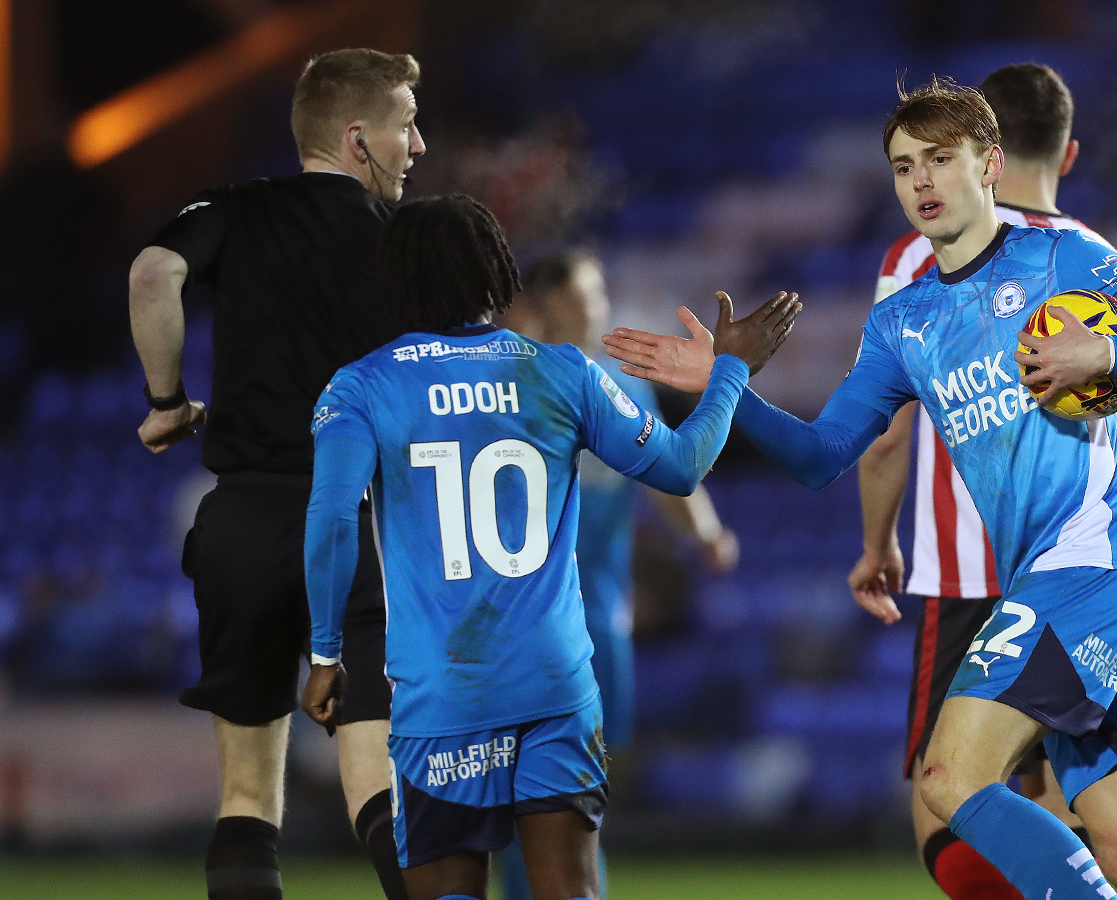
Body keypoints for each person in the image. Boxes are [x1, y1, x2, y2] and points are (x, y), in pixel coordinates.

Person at [606, 77, 1117, 900]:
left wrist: (1110, 357)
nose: (922, 184)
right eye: (904, 168)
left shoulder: (1061, 256)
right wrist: (726, 381)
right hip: (1068, 576)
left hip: (1092, 561)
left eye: (941, 160)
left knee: (948, 778)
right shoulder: (902, 322)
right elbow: (821, 454)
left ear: (991, 164)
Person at [299, 194, 799, 900]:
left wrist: (326, 652)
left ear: (397, 280)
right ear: (498, 278)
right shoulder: (563, 372)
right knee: (569, 889)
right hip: (555, 684)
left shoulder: (363, 385)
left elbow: (328, 520)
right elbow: (683, 467)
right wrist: (732, 371)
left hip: (443, 691)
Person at [850, 63, 1117, 900]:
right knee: (1107, 833)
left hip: (974, 579)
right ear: (1068, 153)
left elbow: (884, 435)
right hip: (1097, 571)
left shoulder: (915, 259)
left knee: (952, 816)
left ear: (984, 152)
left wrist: (875, 543)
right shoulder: (1087, 255)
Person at [128, 48, 426, 900]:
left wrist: (168, 401)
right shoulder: (407, 240)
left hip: (248, 522)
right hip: (368, 527)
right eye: (407, 124)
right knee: (380, 788)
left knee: (248, 796)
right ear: (359, 137)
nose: (421, 144)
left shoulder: (236, 209)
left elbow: (154, 272)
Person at [494, 249, 742, 900]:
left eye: (599, 294)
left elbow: (669, 478)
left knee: (581, 792)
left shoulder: (623, 387)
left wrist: (708, 535)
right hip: (521, 625)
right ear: (542, 309)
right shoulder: (509, 389)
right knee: (536, 792)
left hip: (598, 619)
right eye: (583, 296)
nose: (597, 308)